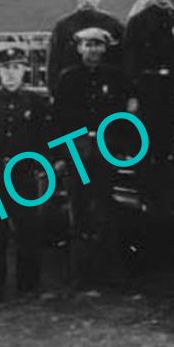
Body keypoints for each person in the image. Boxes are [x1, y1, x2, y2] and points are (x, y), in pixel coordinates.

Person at [52, 27, 133, 289]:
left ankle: (109, 273)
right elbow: (58, 120)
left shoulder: (116, 77)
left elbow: (124, 114)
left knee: (105, 208)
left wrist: (118, 145)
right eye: (87, 45)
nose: (93, 50)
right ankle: (79, 275)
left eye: (98, 45)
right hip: (78, 150)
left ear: (105, 48)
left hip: (104, 150)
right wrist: (63, 154)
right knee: (79, 209)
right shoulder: (68, 78)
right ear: (79, 49)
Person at [0, 47, 52, 305]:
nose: (10, 74)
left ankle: (28, 284)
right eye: (6, 68)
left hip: (23, 175)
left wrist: (42, 167)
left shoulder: (35, 102)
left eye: (16, 68)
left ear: (24, 71)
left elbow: (43, 139)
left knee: (28, 229)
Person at [123, 0, 174, 239]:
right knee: (146, 145)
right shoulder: (139, 21)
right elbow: (129, 61)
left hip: (172, 89)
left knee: (172, 143)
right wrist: (132, 95)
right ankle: (146, 197)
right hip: (148, 89)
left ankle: (170, 196)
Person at [46, 0, 125, 91]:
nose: (87, 1)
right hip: (73, 86)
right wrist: (53, 90)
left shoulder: (113, 24)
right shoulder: (63, 26)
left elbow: (124, 58)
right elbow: (53, 61)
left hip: (106, 85)